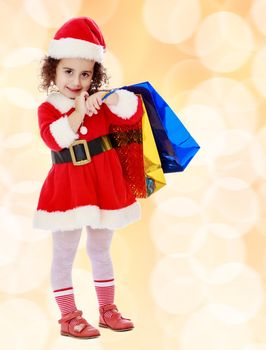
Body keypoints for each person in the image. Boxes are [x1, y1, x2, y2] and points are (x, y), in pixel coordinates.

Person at [33, 17, 144, 339]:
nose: (76, 80)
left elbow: (132, 112)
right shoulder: (49, 108)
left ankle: (108, 310)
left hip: (102, 186)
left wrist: (110, 97)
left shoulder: (102, 101)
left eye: (86, 74)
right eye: (68, 71)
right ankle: (69, 316)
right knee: (64, 254)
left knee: (100, 250)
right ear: (52, 71)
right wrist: (80, 109)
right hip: (67, 190)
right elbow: (56, 139)